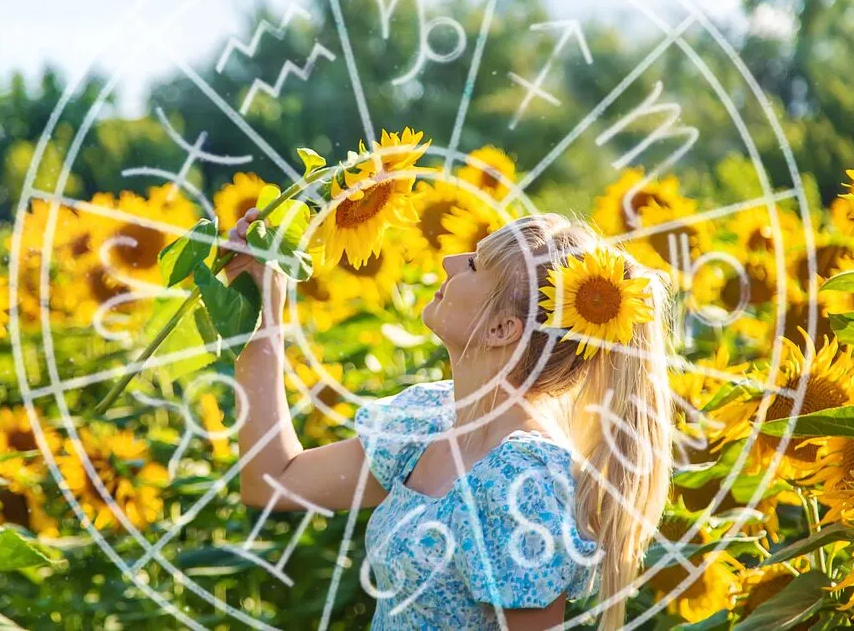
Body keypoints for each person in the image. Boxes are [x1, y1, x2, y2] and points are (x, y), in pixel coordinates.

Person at [225, 208, 672, 630]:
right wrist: (262, 312)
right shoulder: (429, 424)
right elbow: (272, 480)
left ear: (501, 329)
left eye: (475, 264)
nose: (449, 260)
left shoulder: (522, 484)